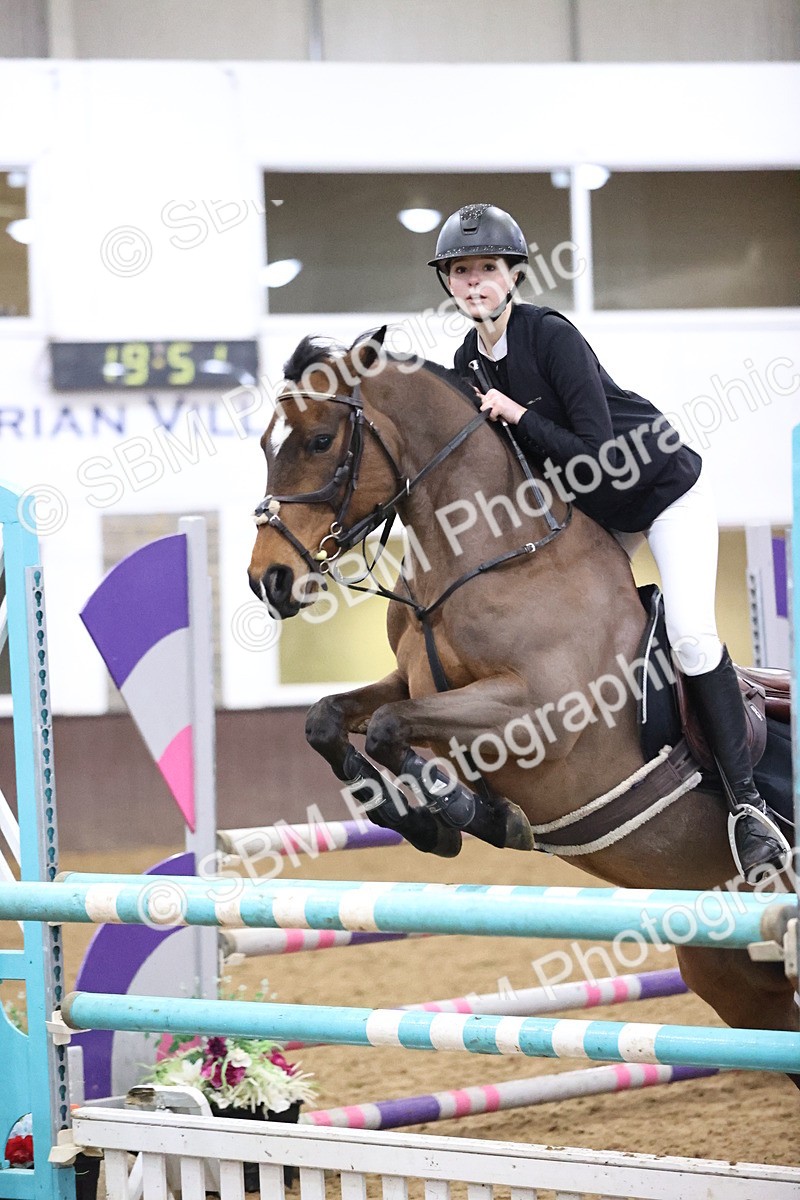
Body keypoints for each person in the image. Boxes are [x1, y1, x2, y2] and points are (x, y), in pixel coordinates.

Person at [428, 202, 789, 881]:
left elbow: (593, 452)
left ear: (512, 276)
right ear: (448, 283)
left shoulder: (550, 337)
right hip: (597, 515)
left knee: (687, 634)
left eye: (486, 270)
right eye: (461, 272)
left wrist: (514, 414)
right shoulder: (465, 361)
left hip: (660, 490)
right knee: (552, 636)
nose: (474, 283)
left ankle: (747, 806)